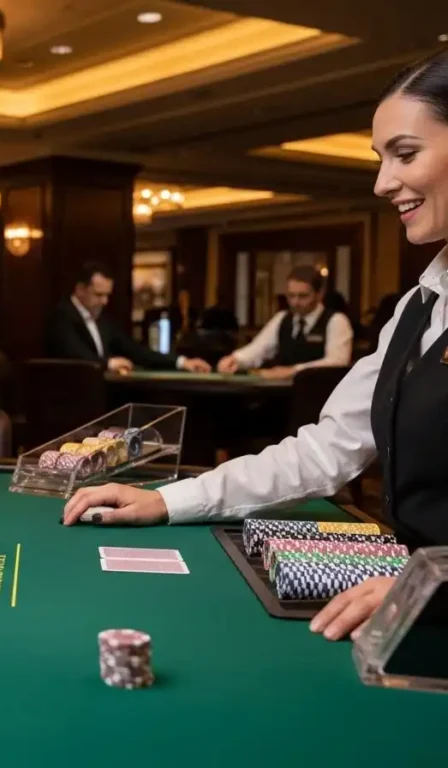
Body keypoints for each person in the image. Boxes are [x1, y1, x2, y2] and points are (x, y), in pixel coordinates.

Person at [61, 49, 448, 642]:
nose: (381, 182)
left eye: (406, 154)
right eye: (379, 159)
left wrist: (431, 585)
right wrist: (167, 499)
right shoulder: (418, 306)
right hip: (403, 616)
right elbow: (325, 452)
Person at [45, 261, 211, 374]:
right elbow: (75, 354)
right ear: (80, 289)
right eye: (98, 295)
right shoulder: (62, 316)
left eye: (107, 295)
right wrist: (108, 364)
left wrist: (181, 362)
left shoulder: (101, 319)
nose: (105, 301)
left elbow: (134, 350)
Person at [217, 266, 354, 379]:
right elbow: (258, 349)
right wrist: (235, 359)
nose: (295, 302)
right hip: (283, 395)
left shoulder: (336, 321)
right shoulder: (282, 318)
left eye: (303, 296)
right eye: (291, 296)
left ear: (319, 294)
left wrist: (293, 370)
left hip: (319, 396)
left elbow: (337, 362)